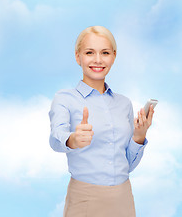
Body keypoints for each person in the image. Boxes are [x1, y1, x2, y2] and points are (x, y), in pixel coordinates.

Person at [48, 26, 154, 217]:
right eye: (89, 52)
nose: (98, 59)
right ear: (78, 56)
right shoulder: (65, 99)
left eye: (105, 53)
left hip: (123, 197)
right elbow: (56, 139)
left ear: (113, 56)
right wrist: (73, 139)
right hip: (85, 198)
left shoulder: (124, 103)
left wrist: (139, 136)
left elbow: (127, 164)